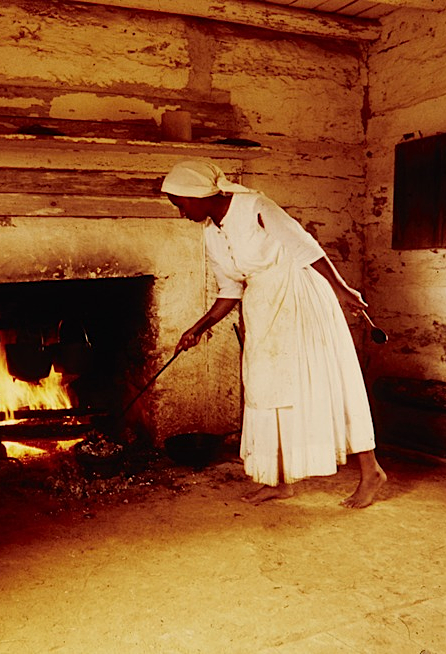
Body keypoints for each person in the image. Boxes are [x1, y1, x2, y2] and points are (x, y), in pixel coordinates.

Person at [164, 160, 386, 508]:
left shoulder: (256, 207)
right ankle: (278, 481)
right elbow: (230, 289)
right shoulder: (211, 234)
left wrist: (342, 289)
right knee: (265, 390)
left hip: (300, 297)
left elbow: (307, 248)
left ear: (199, 193)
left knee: (328, 383)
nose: (181, 213)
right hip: (264, 308)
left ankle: (371, 472)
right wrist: (198, 328)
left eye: (181, 204)